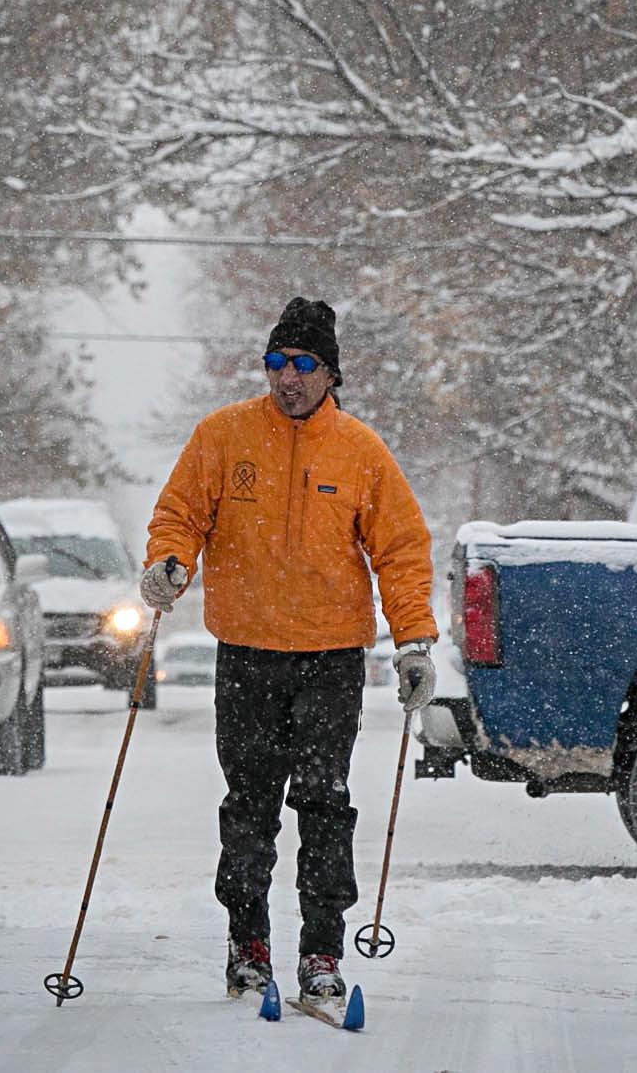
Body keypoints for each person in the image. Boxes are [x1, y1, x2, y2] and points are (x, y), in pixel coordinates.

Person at [140, 296, 438, 1006]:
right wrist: (170, 562)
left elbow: (400, 550)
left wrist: (414, 640)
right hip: (245, 654)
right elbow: (179, 512)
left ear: (330, 373)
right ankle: (248, 946)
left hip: (331, 658)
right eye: (276, 362)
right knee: (249, 804)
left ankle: (321, 953)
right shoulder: (224, 437)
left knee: (324, 802)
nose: (287, 377)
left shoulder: (360, 451)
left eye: (303, 363)